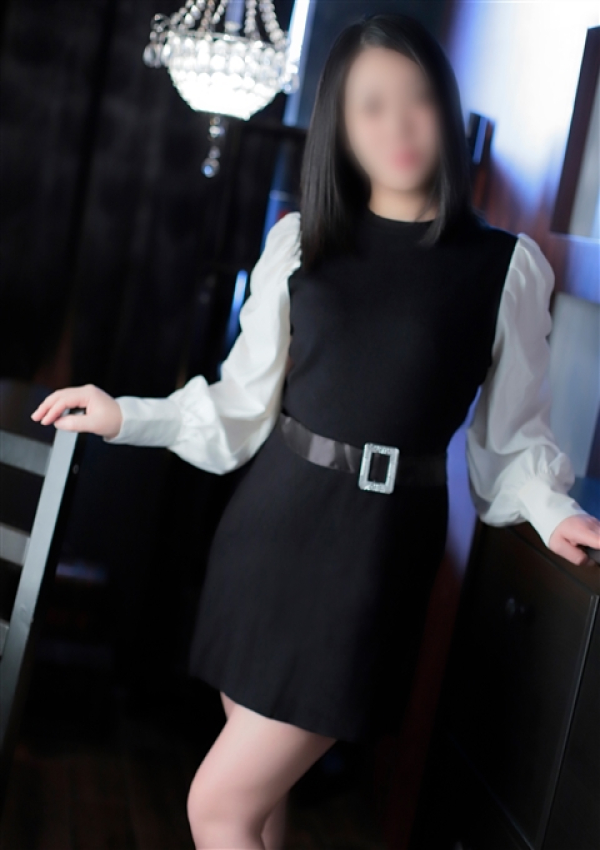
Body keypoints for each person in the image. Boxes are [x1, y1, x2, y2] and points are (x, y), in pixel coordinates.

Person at [30, 12, 599, 850]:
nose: (397, 125)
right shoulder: (301, 242)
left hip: (374, 557)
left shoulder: (505, 267)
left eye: (415, 99)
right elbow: (238, 408)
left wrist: (554, 511)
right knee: (259, 809)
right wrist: (126, 414)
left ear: (444, 110)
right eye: (371, 106)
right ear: (342, 125)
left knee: (216, 807)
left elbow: (509, 442)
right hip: (267, 533)